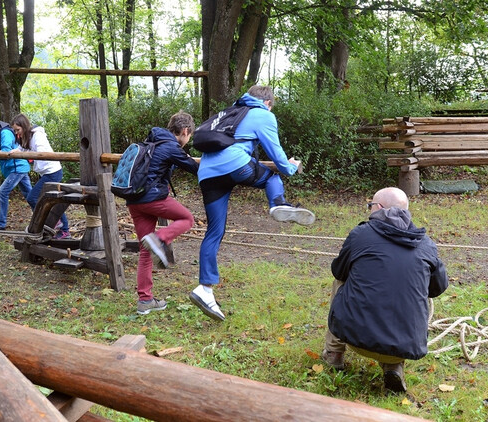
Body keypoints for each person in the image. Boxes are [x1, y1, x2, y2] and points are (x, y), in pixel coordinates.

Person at [189, 85, 315, 322]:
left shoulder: (229, 113)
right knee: (273, 177)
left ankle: (204, 290)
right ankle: (278, 203)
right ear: (268, 102)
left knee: (214, 231)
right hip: (235, 164)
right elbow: (274, 151)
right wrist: (289, 167)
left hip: (207, 173)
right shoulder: (263, 114)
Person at [322, 187, 448, 393]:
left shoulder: (360, 234)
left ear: (378, 207)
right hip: (405, 348)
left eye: (370, 206)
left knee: (341, 281)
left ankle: (334, 353)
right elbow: (438, 288)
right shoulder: (426, 245)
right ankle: (394, 366)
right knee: (412, 291)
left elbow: (338, 270)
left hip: (356, 339)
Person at [127, 111, 199, 315]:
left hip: (134, 201)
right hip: (153, 198)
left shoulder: (151, 143)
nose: (188, 140)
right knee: (187, 218)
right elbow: (195, 168)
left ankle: (145, 301)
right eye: (189, 136)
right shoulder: (171, 147)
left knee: (145, 250)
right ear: (185, 131)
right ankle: (158, 239)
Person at [11, 113, 70, 239]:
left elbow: (42, 152)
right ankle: (61, 228)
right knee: (52, 202)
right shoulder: (27, 137)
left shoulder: (37, 135)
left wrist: (28, 154)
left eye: (18, 130)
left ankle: (53, 223)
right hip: (46, 173)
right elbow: (21, 149)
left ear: (24, 126)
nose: (17, 133)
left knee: (33, 198)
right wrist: (6, 152)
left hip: (52, 172)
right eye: (15, 131)